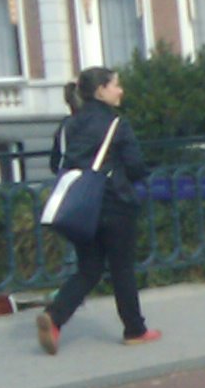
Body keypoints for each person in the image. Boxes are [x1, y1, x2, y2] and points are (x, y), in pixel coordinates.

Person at [36, 67, 155, 354]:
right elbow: (136, 166)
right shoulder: (116, 123)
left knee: (89, 268)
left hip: (80, 208)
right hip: (115, 203)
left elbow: (56, 164)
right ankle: (135, 330)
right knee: (122, 269)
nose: (120, 90)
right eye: (115, 85)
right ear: (101, 90)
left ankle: (54, 317)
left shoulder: (68, 125)